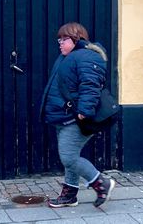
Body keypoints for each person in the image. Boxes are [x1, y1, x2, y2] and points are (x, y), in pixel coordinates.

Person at [40, 22, 115, 208]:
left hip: (75, 117)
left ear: (76, 38)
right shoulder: (68, 57)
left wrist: (84, 111)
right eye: (59, 39)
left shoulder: (87, 56)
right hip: (63, 115)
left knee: (68, 157)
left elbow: (90, 84)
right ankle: (70, 195)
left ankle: (100, 183)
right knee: (71, 155)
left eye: (64, 39)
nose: (60, 43)